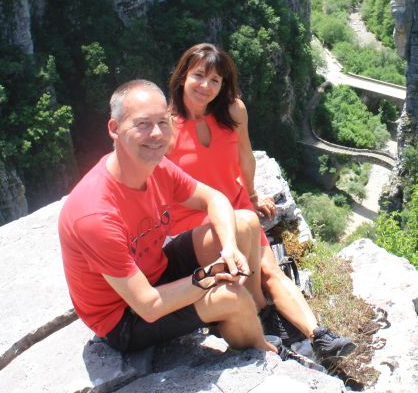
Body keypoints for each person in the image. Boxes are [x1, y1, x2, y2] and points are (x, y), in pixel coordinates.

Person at [166, 43, 356, 365]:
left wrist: (253, 197)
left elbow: (245, 157)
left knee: (270, 271)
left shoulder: (233, 111)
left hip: (237, 206)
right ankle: (265, 328)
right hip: (195, 222)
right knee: (243, 281)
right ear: (183, 75)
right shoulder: (166, 126)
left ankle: (319, 336)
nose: (206, 86)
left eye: (216, 80)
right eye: (199, 76)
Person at [58, 79, 277, 354]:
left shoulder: (157, 167)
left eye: (163, 122)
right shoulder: (94, 214)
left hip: (155, 271)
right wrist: (210, 277)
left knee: (244, 222)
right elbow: (148, 305)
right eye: (142, 124)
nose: (156, 134)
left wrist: (230, 248)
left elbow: (214, 198)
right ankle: (265, 353)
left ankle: (250, 313)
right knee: (231, 296)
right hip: (124, 316)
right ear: (114, 129)